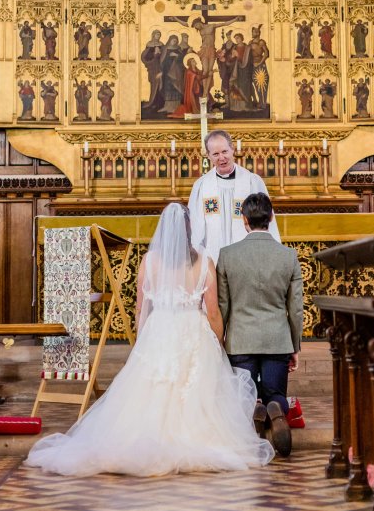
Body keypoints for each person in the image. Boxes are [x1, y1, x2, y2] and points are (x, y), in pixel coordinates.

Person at [25, 204, 273, 477]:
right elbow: (213, 311)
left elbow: (141, 308)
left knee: (152, 389)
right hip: (194, 332)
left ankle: (143, 442)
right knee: (194, 392)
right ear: (190, 228)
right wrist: (219, 343)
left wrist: (143, 342)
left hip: (160, 330)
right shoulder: (205, 261)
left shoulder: (150, 261)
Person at [217, 193, 303, 458]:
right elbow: (296, 308)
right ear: (271, 217)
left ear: (244, 220)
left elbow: (223, 305)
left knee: (244, 395)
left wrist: (220, 339)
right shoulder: (288, 256)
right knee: (275, 392)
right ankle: (275, 408)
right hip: (276, 339)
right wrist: (295, 345)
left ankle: (253, 410)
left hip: (240, 340)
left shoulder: (227, 255)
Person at [188, 129, 280, 265]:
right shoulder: (201, 186)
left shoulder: (252, 182)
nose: (221, 158)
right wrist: (195, 262)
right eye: (215, 154)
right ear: (208, 156)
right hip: (212, 261)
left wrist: (272, 254)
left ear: (232, 149)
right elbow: (194, 227)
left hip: (248, 260)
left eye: (224, 152)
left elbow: (267, 222)